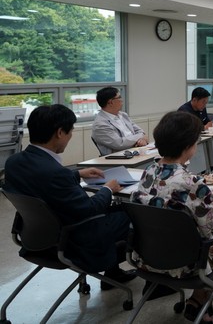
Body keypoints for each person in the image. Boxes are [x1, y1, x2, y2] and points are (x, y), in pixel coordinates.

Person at [131, 111, 213, 323]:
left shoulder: (149, 171)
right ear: (188, 146)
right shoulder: (190, 182)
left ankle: (199, 298)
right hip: (185, 262)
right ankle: (204, 296)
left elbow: (169, 195)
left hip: (147, 257)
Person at [3, 104, 135, 289]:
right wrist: (107, 189)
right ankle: (150, 273)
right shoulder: (55, 173)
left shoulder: (14, 162)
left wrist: (78, 174)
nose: (70, 137)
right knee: (132, 213)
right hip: (73, 241)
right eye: (70, 132)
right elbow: (89, 209)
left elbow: (43, 182)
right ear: (59, 132)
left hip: (36, 235)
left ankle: (113, 274)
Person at [91, 86, 149, 155]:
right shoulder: (100, 124)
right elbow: (119, 143)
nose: (122, 100)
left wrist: (143, 138)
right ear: (111, 102)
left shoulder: (123, 115)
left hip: (135, 151)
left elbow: (140, 131)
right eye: (119, 97)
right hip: (119, 157)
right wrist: (141, 137)